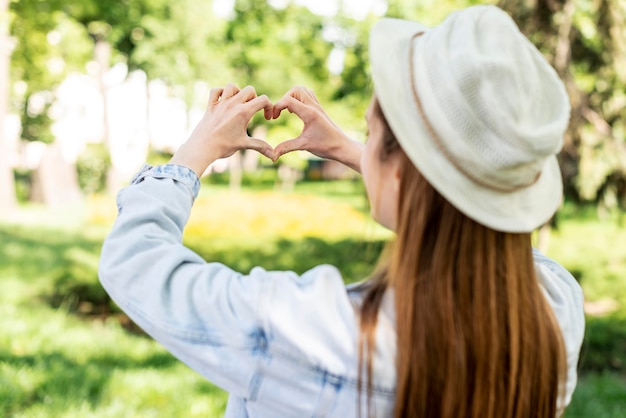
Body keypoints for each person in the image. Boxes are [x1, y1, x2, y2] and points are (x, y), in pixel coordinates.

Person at [99, 5, 585, 417]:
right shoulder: (555, 310)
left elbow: (135, 265)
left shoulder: (321, 334)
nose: (364, 145)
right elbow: (471, 224)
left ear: (399, 174)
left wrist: (192, 153)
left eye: (372, 135)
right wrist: (359, 152)